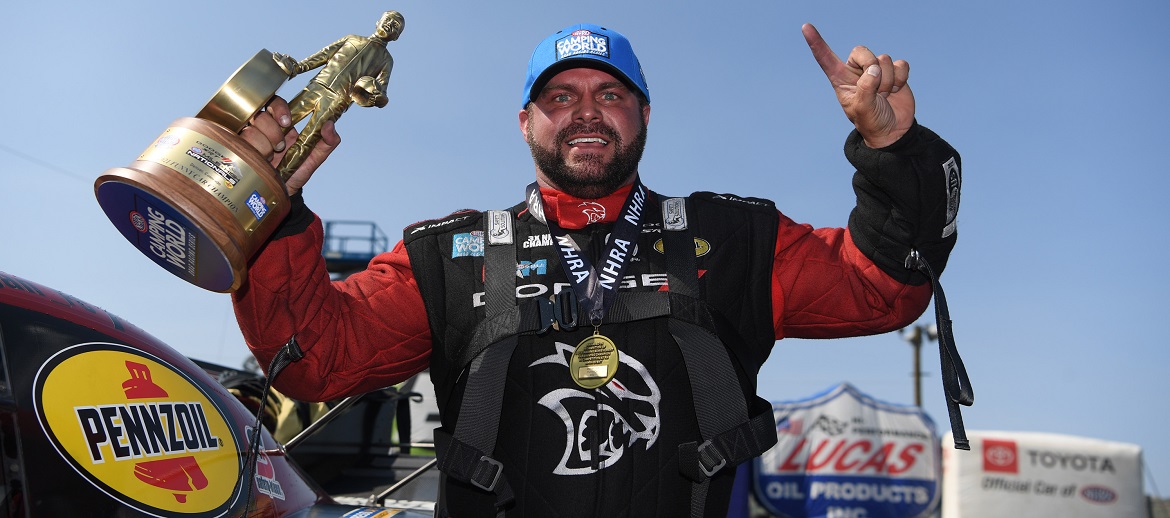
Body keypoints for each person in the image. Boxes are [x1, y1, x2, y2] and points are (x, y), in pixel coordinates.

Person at [233, 21, 963, 517]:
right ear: (526, 122)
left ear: (644, 115)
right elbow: (312, 361)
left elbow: (882, 290)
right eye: (561, 97)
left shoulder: (733, 238)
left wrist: (896, 155)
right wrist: (272, 214)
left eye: (610, 94)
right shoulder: (447, 258)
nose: (587, 113)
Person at [270, 10, 403, 176]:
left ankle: (278, 179)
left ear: (396, 36)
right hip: (318, 85)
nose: (390, 24)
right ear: (378, 21)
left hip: (337, 101)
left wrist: (375, 96)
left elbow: (382, 91)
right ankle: (249, 153)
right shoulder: (352, 38)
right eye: (388, 20)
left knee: (307, 141)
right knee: (281, 123)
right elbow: (323, 54)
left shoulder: (386, 60)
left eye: (396, 26)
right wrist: (297, 68)